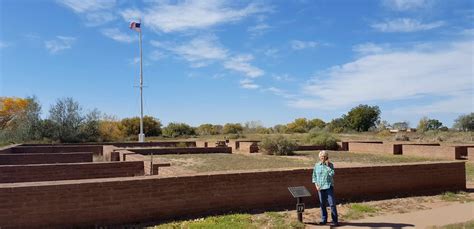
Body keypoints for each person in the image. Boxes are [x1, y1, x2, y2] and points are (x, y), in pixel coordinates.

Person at [312, 150, 339, 226]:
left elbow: (332, 174)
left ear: (327, 157)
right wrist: (316, 185)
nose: (323, 158)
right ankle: (324, 220)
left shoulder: (330, 165)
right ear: (319, 157)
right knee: (322, 204)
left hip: (328, 186)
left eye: (324, 156)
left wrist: (327, 166)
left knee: (332, 204)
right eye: (321, 157)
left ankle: (335, 221)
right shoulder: (317, 165)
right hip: (320, 187)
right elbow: (314, 176)